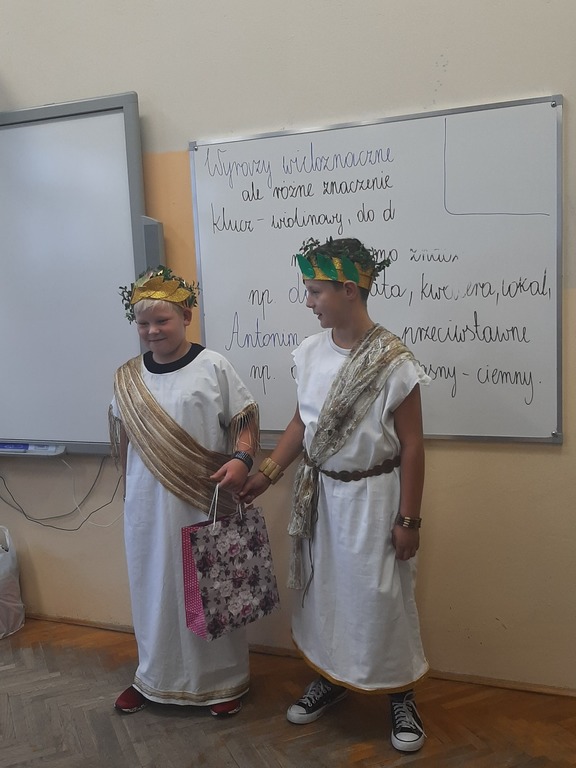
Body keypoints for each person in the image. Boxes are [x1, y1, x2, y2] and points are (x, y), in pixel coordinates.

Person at [239, 237, 429, 752]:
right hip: (322, 497)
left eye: (315, 291)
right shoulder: (309, 353)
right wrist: (268, 474)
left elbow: (413, 445)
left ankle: (400, 695)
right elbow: (303, 423)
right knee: (325, 596)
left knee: (380, 598)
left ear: (348, 289)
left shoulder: (394, 362)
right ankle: (331, 678)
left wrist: (409, 520)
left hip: (374, 500)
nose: (308, 302)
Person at [109, 266, 259, 717]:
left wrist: (242, 459)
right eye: (143, 323)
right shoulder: (128, 377)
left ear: (186, 317)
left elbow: (245, 419)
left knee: (211, 589)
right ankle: (153, 677)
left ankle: (223, 681)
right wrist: (132, 493)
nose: (152, 331)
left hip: (204, 501)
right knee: (153, 590)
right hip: (147, 508)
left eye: (162, 321)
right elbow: (125, 441)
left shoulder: (213, 366)